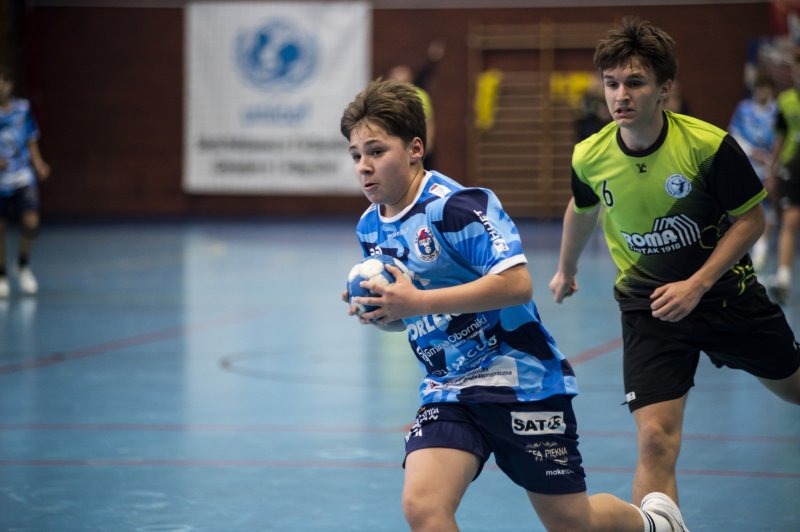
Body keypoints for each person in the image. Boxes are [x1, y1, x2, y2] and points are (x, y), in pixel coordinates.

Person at [340, 78, 688, 531]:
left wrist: (417, 301)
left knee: (571, 522)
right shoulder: (369, 227)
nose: (364, 166)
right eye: (356, 155)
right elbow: (408, 306)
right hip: (448, 387)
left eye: (376, 151)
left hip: (520, 381)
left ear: (414, 149)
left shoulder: (458, 207)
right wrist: (379, 307)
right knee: (422, 506)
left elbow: (518, 284)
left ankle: (655, 524)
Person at [549, 16, 800, 513]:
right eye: (612, 83)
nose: (620, 95)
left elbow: (751, 221)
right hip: (651, 309)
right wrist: (566, 269)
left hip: (727, 298)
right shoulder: (589, 156)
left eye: (635, 83)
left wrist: (697, 284)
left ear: (665, 88)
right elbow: (583, 208)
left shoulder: (708, 147)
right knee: (655, 440)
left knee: (794, 389)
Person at [0, 64, 50, 297]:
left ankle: (22, 264)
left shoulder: (22, 109)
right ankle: (1, 275)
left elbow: (31, 138)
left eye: (3, 82)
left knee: (31, 221)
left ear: (10, 85)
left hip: (22, 176)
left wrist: (39, 164)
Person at [728, 73, 778, 272]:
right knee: (741, 208)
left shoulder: (777, 111)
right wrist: (751, 151)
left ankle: (761, 251)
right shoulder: (744, 109)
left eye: (766, 88)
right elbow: (734, 133)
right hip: (746, 165)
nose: (762, 92)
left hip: (770, 167)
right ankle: (739, 251)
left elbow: (782, 138)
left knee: (767, 207)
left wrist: (770, 160)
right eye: (759, 87)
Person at [767, 52, 800, 303]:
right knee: (790, 220)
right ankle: (783, 278)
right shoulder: (786, 100)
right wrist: (772, 170)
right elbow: (780, 137)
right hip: (792, 167)